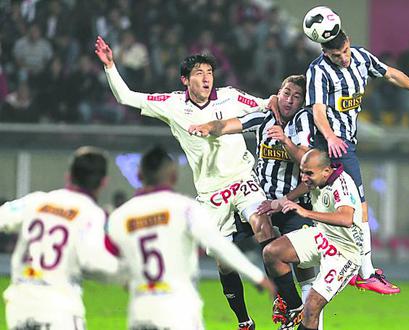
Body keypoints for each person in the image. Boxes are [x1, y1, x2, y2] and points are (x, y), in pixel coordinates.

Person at [95, 36, 285, 330]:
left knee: (263, 225)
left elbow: (267, 105)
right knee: (223, 259)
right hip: (211, 193)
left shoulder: (231, 96)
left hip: (243, 178)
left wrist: (284, 102)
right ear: (185, 80)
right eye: (199, 73)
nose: (207, 78)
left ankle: (283, 299)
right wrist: (110, 66)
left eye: (210, 72)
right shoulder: (171, 104)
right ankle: (244, 321)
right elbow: (127, 97)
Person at [306, 30, 409, 294]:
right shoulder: (318, 71)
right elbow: (318, 109)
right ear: (325, 53)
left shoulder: (360, 57)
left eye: (345, 51)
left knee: (339, 208)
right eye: (336, 55)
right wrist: (331, 136)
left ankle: (344, 265)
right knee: (359, 207)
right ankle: (365, 272)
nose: (343, 58)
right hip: (332, 144)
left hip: (346, 143)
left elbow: (390, 73)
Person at [188, 75, 322, 328]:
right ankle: (246, 320)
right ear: (278, 92)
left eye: (296, 96)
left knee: (302, 266)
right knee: (222, 257)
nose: (289, 100)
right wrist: (208, 127)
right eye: (286, 93)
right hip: (261, 200)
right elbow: (229, 124)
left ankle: (298, 313)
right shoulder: (264, 117)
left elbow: (307, 164)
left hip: (295, 203)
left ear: (303, 101)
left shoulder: (305, 121)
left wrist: (285, 140)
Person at [106, 145, 275, 329]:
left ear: (139, 176)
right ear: (173, 177)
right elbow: (220, 245)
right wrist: (257, 276)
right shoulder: (185, 209)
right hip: (180, 309)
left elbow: (106, 259)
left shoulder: (120, 216)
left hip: (142, 311)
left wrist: (124, 278)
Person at [0, 146, 119, 330]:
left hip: (20, 307)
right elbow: (93, 261)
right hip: (58, 309)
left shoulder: (35, 201)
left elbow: (3, 216)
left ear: (68, 175)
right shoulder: (91, 213)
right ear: (103, 182)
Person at [262, 149, 363, 330]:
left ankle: (302, 311)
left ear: (326, 171)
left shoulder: (342, 184)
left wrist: (305, 212)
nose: (304, 177)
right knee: (272, 252)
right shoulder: (316, 179)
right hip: (322, 236)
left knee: (312, 307)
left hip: (344, 252)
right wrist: (279, 203)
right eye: (302, 171)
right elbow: (301, 187)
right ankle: (294, 308)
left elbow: (346, 218)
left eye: (309, 173)